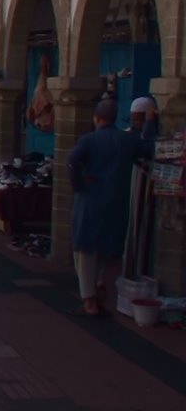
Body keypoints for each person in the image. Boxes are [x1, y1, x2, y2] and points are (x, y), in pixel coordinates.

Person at [68, 99, 155, 318]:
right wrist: (150, 124)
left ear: (96, 118)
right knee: (109, 247)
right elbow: (150, 148)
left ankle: (90, 301)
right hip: (116, 203)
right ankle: (100, 283)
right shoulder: (127, 140)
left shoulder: (89, 140)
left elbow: (72, 162)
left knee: (85, 250)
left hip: (90, 200)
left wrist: (79, 185)